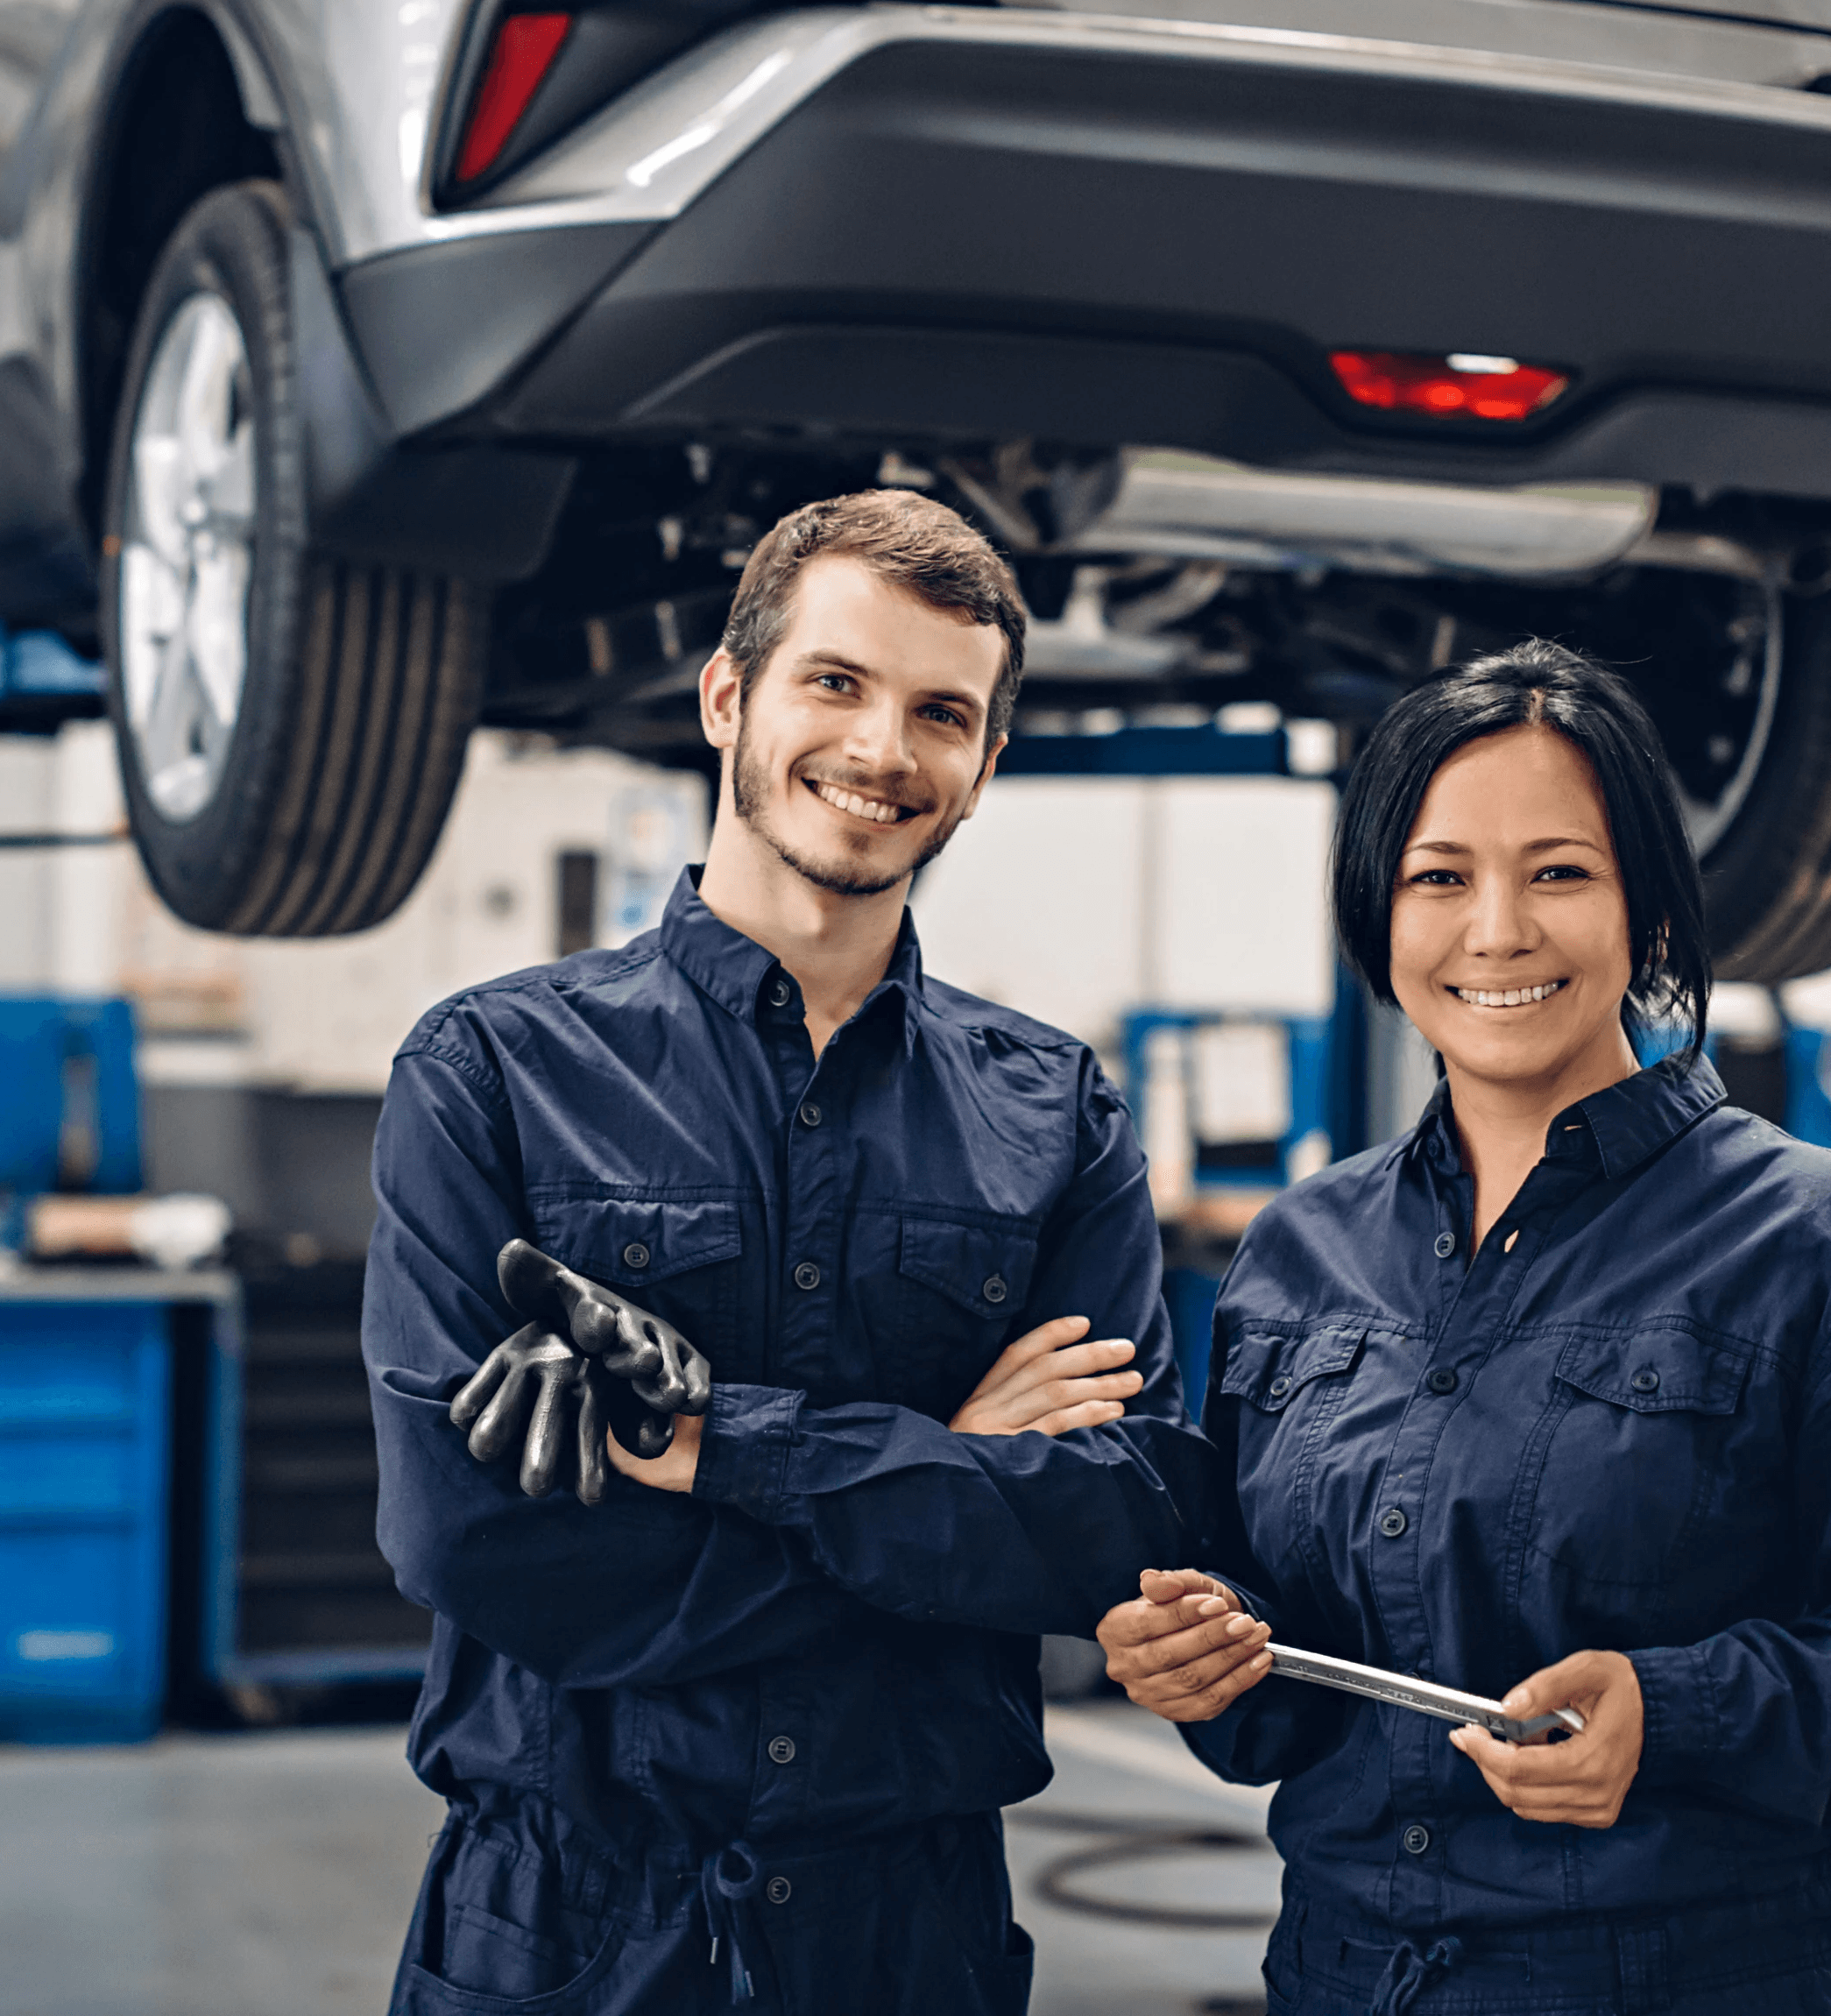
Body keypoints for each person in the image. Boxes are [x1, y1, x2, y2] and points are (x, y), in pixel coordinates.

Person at [1095, 641, 1831, 2016]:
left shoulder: (1811, 1240)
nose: (1495, 930)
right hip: (1346, 1974)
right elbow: (1277, 1692)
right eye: (1440, 877)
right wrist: (1205, 1654)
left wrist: (1675, 1711)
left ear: (1648, 919)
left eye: (1558, 871)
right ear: (1378, 921)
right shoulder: (1296, 1254)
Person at [364, 490, 1217, 2014]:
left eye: (940, 712)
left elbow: (1110, 1525)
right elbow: (473, 1539)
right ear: (727, 696)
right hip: (565, 1921)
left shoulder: (1053, 1111)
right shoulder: (494, 1072)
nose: (883, 749)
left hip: (907, 1928)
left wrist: (710, 1448)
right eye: (836, 682)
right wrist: (941, 1475)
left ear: (984, 764)